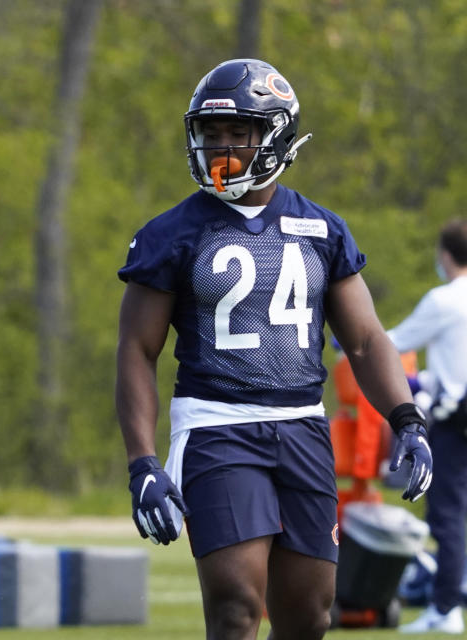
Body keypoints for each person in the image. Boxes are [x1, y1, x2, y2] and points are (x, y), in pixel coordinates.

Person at [115, 58, 433, 640]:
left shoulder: (323, 229)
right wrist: (142, 463)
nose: (221, 147)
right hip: (216, 428)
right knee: (237, 605)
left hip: (303, 429)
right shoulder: (170, 234)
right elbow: (137, 351)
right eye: (211, 134)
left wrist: (406, 419)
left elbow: (364, 340)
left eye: (239, 133)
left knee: (309, 614)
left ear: (277, 134)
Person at [389, 219, 467, 634]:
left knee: (448, 517)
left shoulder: (445, 299)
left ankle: (446, 606)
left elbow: (394, 342)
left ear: (445, 254)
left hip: (456, 423)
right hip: (457, 406)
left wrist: (347, 340)